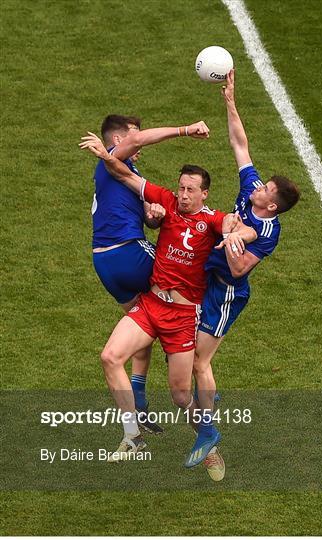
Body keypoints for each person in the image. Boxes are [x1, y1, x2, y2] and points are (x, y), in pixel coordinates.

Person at [80, 132, 256, 467]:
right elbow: (126, 175)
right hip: (151, 305)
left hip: (181, 317)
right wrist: (106, 155)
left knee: (179, 395)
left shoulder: (214, 220)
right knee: (109, 357)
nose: (184, 195)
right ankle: (132, 435)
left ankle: (206, 434)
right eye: (182, 188)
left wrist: (237, 235)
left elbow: (246, 228)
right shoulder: (168, 203)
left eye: (191, 190)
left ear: (205, 193)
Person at [192, 69, 301, 481]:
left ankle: (207, 432)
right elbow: (240, 143)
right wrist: (230, 102)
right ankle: (207, 399)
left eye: (266, 190)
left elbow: (244, 251)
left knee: (200, 361)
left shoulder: (268, 229)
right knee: (181, 349)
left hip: (225, 293)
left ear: (272, 204)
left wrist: (233, 234)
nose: (258, 185)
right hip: (204, 275)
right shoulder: (251, 191)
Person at [87, 115, 210, 434]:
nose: (138, 141)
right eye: (132, 135)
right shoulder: (112, 158)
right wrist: (185, 128)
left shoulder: (124, 172)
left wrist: (155, 216)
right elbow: (139, 141)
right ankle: (194, 359)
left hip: (105, 264)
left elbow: (149, 218)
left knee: (142, 323)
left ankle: (138, 403)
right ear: (117, 141)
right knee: (184, 272)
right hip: (128, 251)